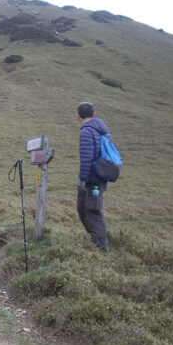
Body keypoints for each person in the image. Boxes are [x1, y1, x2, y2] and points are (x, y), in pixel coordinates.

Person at [76, 101, 111, 251]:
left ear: (78, 116)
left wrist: (83, 180)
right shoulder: (104, 131)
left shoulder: (87, 132)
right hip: (101, 176)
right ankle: (97, 240)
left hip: (92, 179)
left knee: (92, 211)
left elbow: (87, 157)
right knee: (83, 208)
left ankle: (101, 247)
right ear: (94, 114)